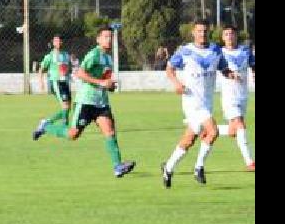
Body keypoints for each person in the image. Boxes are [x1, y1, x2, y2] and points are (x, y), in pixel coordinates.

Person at [32, 27, 135, 178]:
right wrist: (101, 83)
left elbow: (104, 80)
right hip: (86, 101)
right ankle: (46, 126)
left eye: (111, 37)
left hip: (101, 103)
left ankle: (117, 166)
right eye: (105, 37)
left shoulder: (108, 58)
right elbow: (79, 73)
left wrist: (110, 85)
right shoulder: (93, 54)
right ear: (98, 39)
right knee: (73, 134)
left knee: (110, 131)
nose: (109, 39)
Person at [159, 19, 240, 188]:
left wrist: (231, 74)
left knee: (189, 139)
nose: (202, 34)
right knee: (213, 131)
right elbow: (169, 68)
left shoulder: (216, 50)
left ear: (208, 32)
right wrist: (176, 84)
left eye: (205, 31)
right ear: (193, 32)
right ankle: (198, 167)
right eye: (199, 31)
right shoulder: (185, 51)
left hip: (207, 101)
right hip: (191, 101)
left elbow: (223, 68)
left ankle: (168, 167)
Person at [217, 25, 256, 171]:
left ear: (236, 36)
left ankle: (208, 129)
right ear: (222, 37)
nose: (229, 36)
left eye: (232, 34)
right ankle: (250, 162)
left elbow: (253, 65)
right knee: (240, 125)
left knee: (234, 131)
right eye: (226, 34)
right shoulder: (219, 53)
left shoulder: (245, 51)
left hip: (243, 96)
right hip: (229, 98)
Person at [31, 35, 77, 141]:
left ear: (62, 42)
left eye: (59, 40)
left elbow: (68, 67)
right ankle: (63, 127)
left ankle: (46, 122)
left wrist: (71, 73)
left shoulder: (66, 55)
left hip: (65, 82)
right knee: (65, 106)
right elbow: (42, 69)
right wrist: (41, 82)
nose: (58, 42)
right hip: (56, 83)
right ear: (53, 43)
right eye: (56, 41)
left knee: (68, 108)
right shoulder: (50, 56)